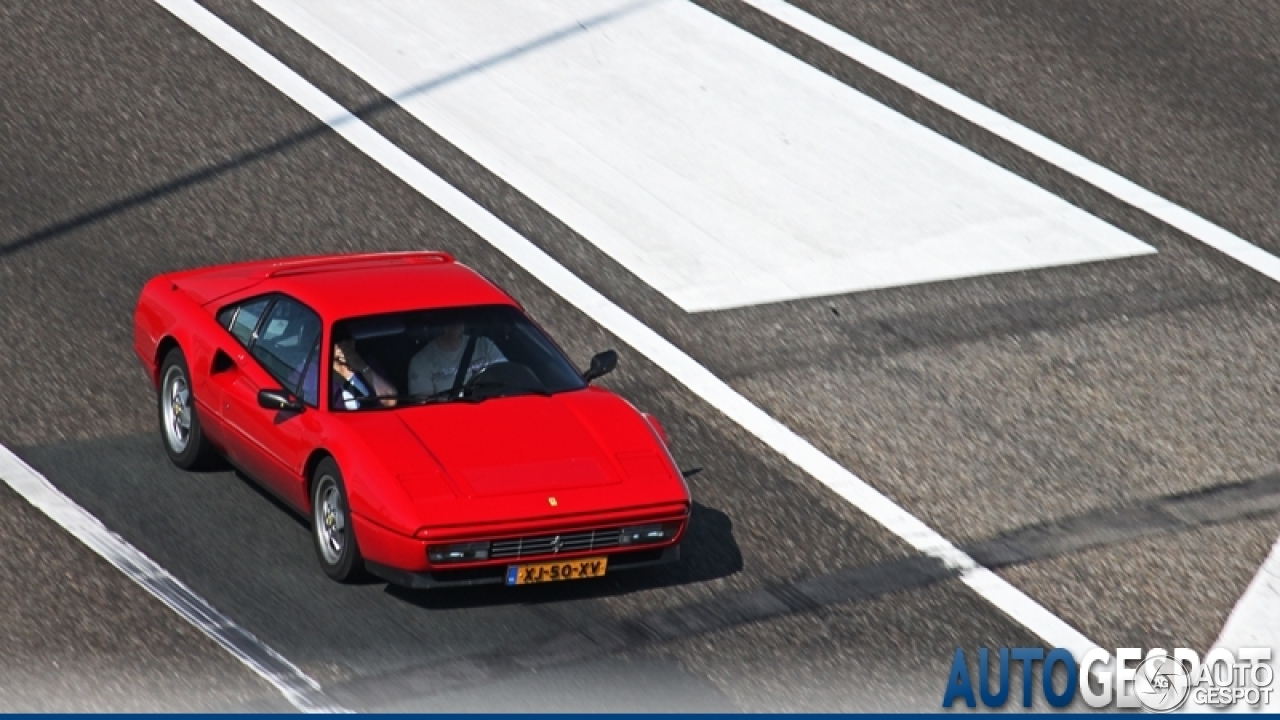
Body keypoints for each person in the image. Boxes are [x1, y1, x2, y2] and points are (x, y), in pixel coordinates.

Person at [408, 321, 505, 397]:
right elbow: (426, 408)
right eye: (448, 319)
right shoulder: (421, 361)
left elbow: (506, 377)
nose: (454, 324)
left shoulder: (484, 346)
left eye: (458, 317)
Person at [332, 338, 397, 409]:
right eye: (338, 342)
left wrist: (362, 366)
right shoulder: (323, 376)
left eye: (348, 340)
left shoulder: (368, 363)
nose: (344, 346)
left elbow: (390, 401)